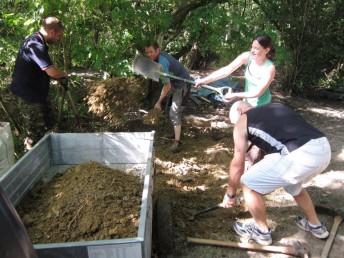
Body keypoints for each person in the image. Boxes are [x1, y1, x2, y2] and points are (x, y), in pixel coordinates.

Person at [220, 101, 331, 245]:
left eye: (234, 121)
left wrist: (231, 194)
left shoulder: (242, 120)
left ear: (240, 111)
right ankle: (316, 226)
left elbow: (237, 162)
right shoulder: (275, 106)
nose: (236, 124)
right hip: (323, 148)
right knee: (293, 185)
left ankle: (262, 232)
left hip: (299, 155)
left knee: (248, 183)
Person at [9, 17, 67, 150]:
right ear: (52, 32)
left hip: (37, 93)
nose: (59, 39)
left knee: (49, 123)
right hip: (28, 96)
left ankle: (50, 154)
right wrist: (64, 74)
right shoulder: (35, 44)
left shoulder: (37, 41)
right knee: (34, 133)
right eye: (59, 35)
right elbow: (51, 71)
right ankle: (31, 164)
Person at [195, 35, 275, 107]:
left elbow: (257, 92)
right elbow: (227, 70)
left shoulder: (269, 68)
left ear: (266, 50)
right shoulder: (247, 56)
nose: (252, 51)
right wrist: (204, 80)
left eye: (256, 48)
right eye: (252, 47)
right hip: (247, 102)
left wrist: (235, 95)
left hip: (263, 106)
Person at [145, 42, 191, 152]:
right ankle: (176, 132)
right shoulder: (158, 58)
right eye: (147, 52)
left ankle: (177, 142)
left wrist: (158, 102)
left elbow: (167, 86)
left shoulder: (162, 63)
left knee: (174, 112)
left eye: (151, 52)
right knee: (168, 109)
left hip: (182, 83)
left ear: (158, 50)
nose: (149, 54)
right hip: (175, 81)